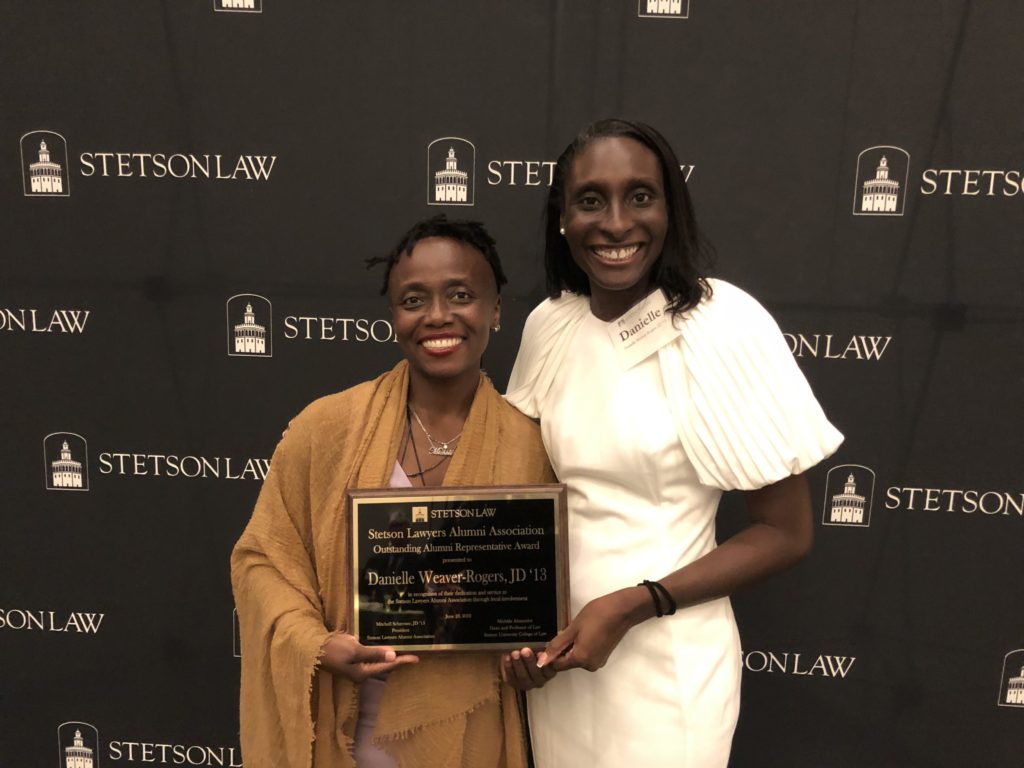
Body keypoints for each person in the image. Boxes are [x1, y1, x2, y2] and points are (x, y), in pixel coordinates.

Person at [502, 119, 844, 767]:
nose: (616, 222)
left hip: (668, 660)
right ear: (561, 218)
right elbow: (523, 498)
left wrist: (632, 605)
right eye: (590, 199)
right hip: (564, 661)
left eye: (640, 196)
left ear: (670, 209)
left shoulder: (722, 324)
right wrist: (512, 633)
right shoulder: (550, 326)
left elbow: (786, 532)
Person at [231, 215, 554, 768]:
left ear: (496, 310)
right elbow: (262, 558)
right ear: (393, 315)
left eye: (460, 295)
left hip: (465, 740)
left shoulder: (532, 446)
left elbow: (541, 599)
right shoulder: (327, 427)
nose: (437, 316)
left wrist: (532, 657)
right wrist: (314, 643)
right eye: (413, 299)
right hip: (342, 734)